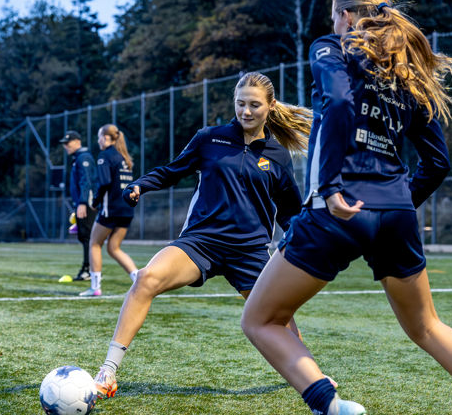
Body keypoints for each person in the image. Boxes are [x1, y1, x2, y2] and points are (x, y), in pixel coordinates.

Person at [240, 0, 452, 415]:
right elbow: (437, 162)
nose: (333, 23)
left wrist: (332, 187)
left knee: (260, 319)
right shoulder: (405, 70)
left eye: (336, 15)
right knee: (427, 326)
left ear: (347, 15)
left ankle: (331, 406)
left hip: (338, 210)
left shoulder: (330, 48)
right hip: (396, 211)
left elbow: (336, 102)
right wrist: (398, 203)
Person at [92, 71, 311, 399]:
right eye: (240, 104)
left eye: (254, 105)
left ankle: (311, 379)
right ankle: (107, 370)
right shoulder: (210, 139)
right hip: (200, 242)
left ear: (270, 106)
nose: (246, 111)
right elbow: (172, 170)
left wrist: (301, 241)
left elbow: (290, 210)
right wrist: (141, 185)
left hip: (249, 251)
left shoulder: (278, 155)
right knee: (146, 279)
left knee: (279, 320)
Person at [79, 124, 139, 297]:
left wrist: (95, 202)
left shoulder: (105, 156)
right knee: (113, 248)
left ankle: (95, 287)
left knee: (94, 243)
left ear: (106, 138)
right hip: (127, 210)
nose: (98, 141)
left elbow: (104, 182)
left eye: (99, 137)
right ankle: (139, 278)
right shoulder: (124, 157)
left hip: (111, 209)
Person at [59, 130, 97, 282]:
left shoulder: (84, 158)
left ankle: (88, 270)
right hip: (83, 203)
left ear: (77, 142)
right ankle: (88, 269)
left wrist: (82, 203)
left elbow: (86, 181)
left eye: (67, 143)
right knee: (85, 236)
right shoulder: (78, 158)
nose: (65, 146)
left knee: (88, 237)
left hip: (86, 204)